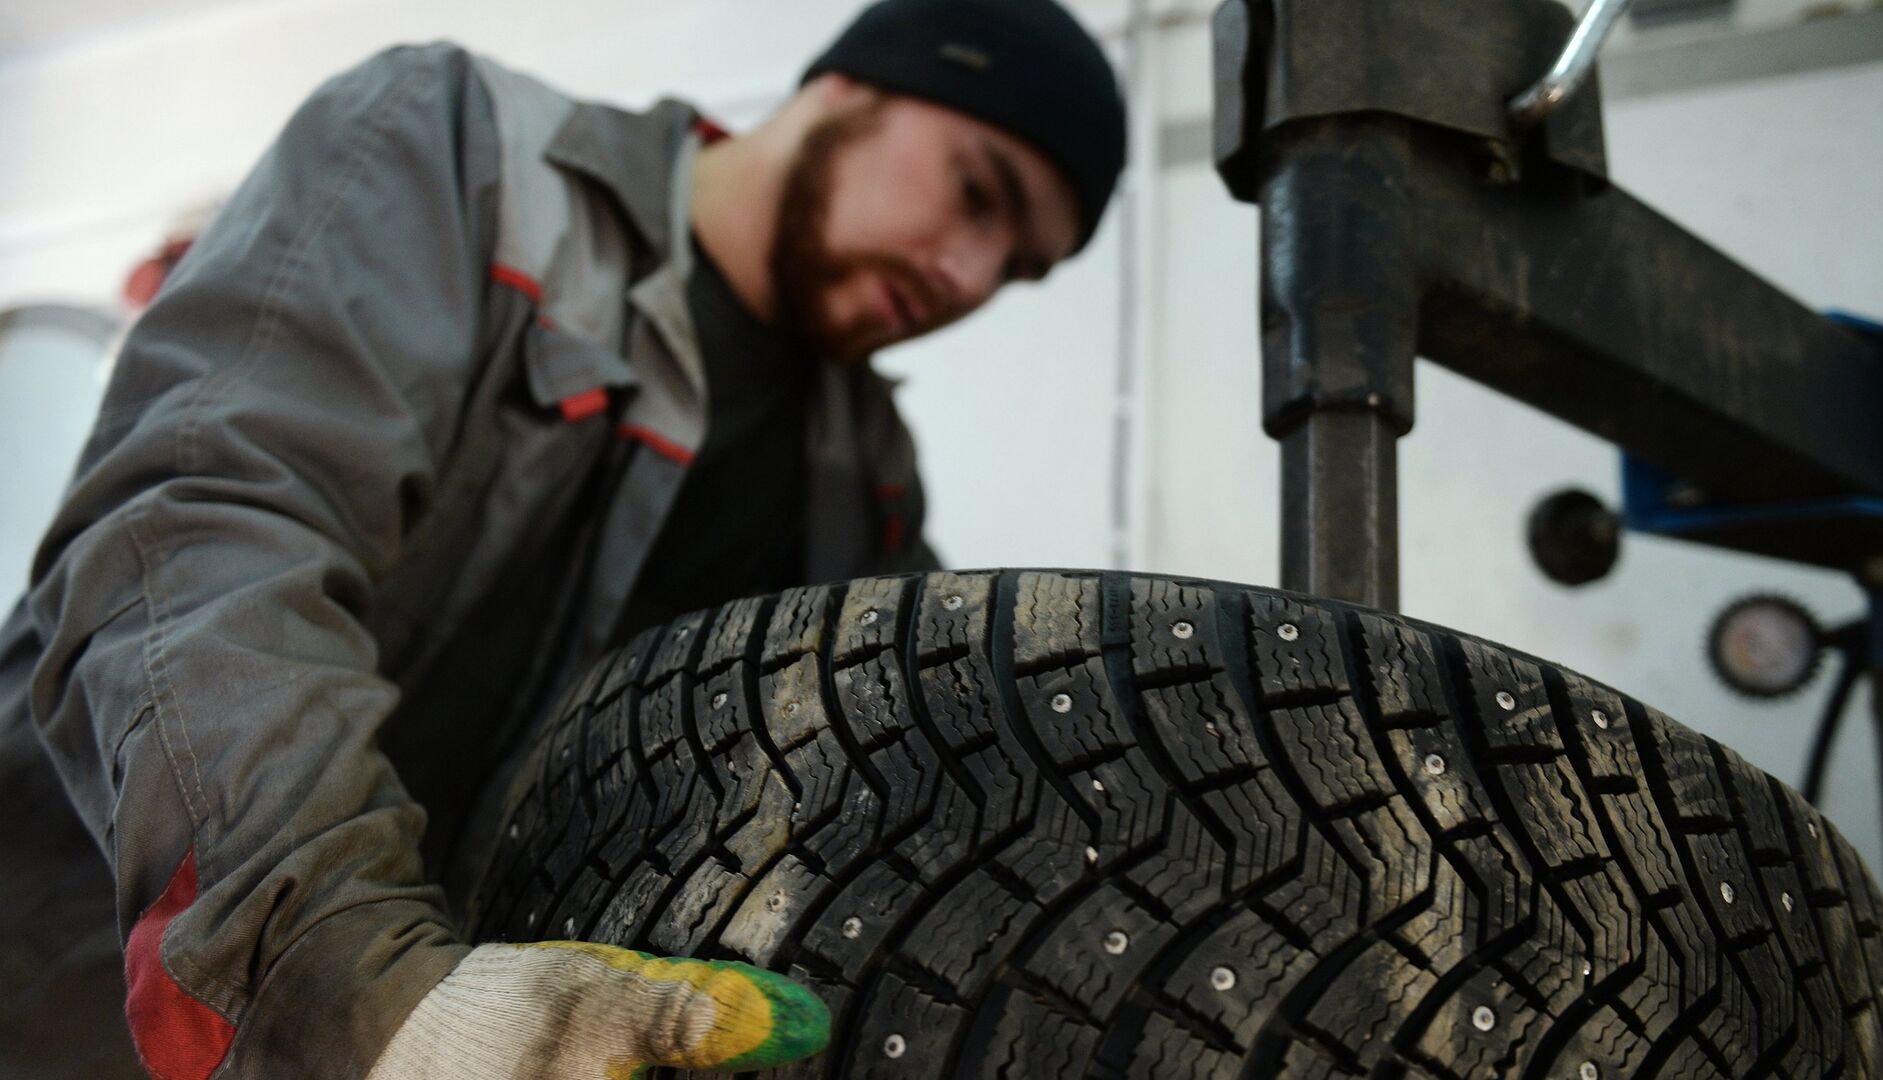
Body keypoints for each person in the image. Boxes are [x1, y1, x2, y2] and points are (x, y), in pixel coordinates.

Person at [0, 0, 1126, 1076]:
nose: (968, 275)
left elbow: (939, 765)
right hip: (63, 990)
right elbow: (206, 529)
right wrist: (343, 976)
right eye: (977, 194)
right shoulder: (463, 156)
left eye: (1020, 269)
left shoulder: (866, 482)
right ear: (847, 86)